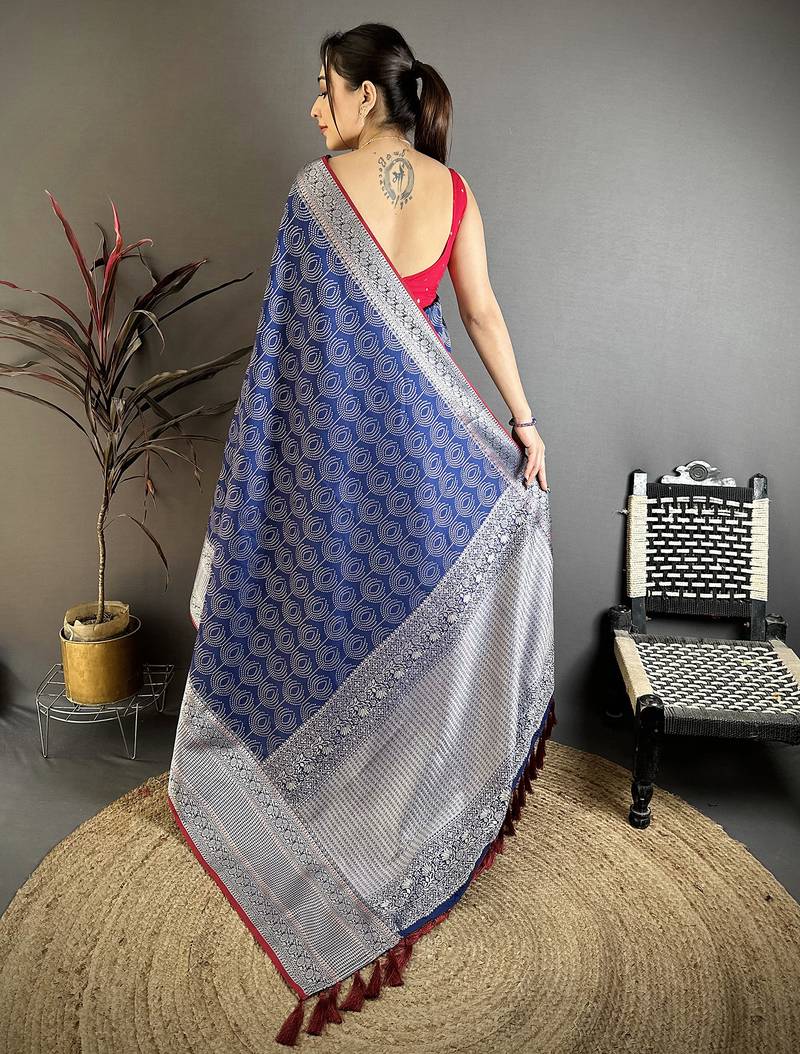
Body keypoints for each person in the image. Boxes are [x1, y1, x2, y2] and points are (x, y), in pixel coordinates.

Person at [167, 21, 556, 1047]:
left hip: (338, 474)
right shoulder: (453, 192)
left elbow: (286, 361)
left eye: (324, 89)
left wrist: (270, 478)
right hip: (427, 473)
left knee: (336, 634)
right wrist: (523, 426)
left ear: (365, 97)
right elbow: (482, 315)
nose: (314, 108)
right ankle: (404, 824)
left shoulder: (315, 194)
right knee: (415, 647)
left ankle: (327, 832)